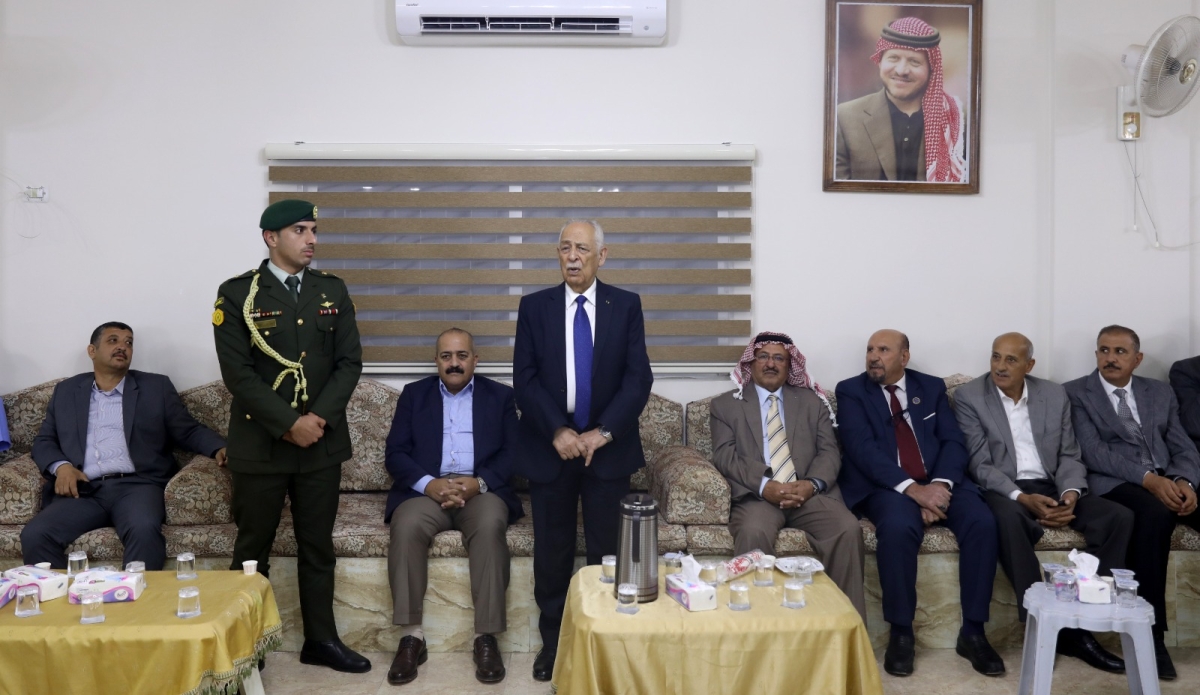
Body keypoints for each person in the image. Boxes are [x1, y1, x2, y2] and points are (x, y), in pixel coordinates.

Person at [212, 199, 370, 674]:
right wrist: (288, 423)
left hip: (321, 443)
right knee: (251, 551)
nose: (312, 239)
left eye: (313, 230)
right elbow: (238, 374)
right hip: (260, 445)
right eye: (300, 230)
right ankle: (245, 647)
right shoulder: (238, 293)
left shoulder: (331, 289)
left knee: (317, 548)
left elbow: (349, 363)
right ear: (271, 237)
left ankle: (321, 640)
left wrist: (316, 419)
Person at [513, 219, 653, 681]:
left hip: (607, 449)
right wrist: (557, 430)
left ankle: (606, 640)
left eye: (582, 249)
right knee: (552, 554)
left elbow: (638, 379)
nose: (572, 257)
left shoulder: (626, 305)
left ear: (602, 255)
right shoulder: (534, 307)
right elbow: (525, 379)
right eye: (565, 248)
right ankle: (554, 645)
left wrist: (603, 433)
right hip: (550, 448)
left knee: (608, 554)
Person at [955, 333, 1130, 673]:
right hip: (1004, 489)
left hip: (1052, 484)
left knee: (1118, 517)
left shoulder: (1053, 394)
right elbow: (980, 465)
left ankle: (1082, 627)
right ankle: (1039, 624)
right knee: (1008, 520)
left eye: (1010, 360)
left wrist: (1070, 495)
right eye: (995, 357)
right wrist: (1021, 498)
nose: (1000, 366)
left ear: (1029, 365)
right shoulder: (970, 397)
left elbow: (1069, 454)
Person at [836, 329, 1003, 677]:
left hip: (938, 480)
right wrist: (914, 490)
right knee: (898, 527)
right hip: (886, 487)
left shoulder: (930, 387)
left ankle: (974, 632)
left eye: (883, 349)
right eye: (870, 349)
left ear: (904, 357)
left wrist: (939, 486)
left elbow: (953, 441)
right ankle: (901, 633)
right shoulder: (851, 391)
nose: (873, 356)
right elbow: (862, 450)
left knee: (982, 522)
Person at [22, 322, 226, 570]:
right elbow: (44, 440)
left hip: (137, 486)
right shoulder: (67, 391)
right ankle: (64, 593)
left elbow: (188, 430)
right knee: (35, 534)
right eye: (113, 340)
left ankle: (134, 594)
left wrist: (218, 447)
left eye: (128, 342)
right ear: (92, 351)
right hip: (83, 490)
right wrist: (62, 467)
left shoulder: (156, 387)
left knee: (143, 529)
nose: (122, 347)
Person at [383, 328, 523, 686]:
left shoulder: (500, 396)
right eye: (446, 356)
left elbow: (514, 453)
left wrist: (480, 482)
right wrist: (428, 484)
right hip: (426, 491)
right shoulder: (414, 395)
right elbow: (395, 453)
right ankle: (412, 637)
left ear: (475, 359)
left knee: (490, 525)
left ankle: (485, 637)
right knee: (406, 526)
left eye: (462, 355)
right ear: (436, 361)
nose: (454, 363)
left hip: (479, 491)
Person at [1064, 325, 1200, 680]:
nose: (1110, 358)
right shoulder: (1076, 392)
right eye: (1104, 350)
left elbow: (1183, 445)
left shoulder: (1159, 392)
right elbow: (1093, 452)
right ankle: (1151, 635)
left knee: (1177, 503)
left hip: (1166, 476)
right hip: (1115, 482)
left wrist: (1184, 481)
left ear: (1137, 359)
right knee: (1155, 514)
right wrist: (1149, 480)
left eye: (1120, 352)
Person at [709, 332, 866, 620]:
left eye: (779, 358)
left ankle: (846, 626)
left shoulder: (812, 402)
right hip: (758, 497)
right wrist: (764, 486)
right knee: (753, 531)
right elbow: (725, 456)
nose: (770, 363)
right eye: (763, 356)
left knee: (847, 528)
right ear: (751, 363)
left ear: (789, 365)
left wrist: (811, 484)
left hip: (809, 494)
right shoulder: (725, 405)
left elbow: (829, 452)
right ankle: (755, 627)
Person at [835, 16, 967, 183]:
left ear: (931, 69)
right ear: (879, 61)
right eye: (893, 58)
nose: (902, 70)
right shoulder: (845, 117)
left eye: (914, 62)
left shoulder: (956, 120)